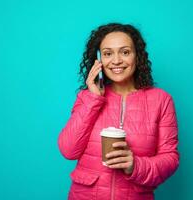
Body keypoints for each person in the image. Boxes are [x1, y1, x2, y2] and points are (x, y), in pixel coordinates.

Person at [58, 23, 179, 200]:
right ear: (98, 60)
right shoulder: (87, 97)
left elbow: (170, 158)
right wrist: (94, 99)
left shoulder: (161, 100)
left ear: (137, 56)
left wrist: (135, 165)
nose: (116, 61)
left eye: (125, 52)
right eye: (108, 53)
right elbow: (68, 150)